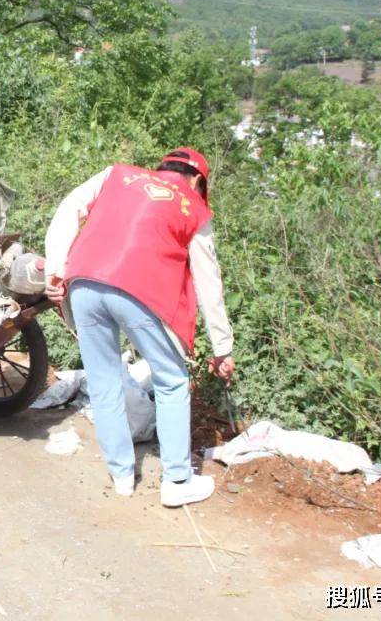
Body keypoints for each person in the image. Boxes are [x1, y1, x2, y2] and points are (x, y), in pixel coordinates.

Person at [43, 148, 236, 507]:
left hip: (84, 282)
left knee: (103, 380)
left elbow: (69, 208)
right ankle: (177, 480)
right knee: (172, 379)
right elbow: (209, 281)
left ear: (162, 168)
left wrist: (55, 265)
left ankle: (121, 476)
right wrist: (222, 347)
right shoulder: (193, 206)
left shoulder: (117, 174)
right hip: (141, 291)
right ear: (197, 180)